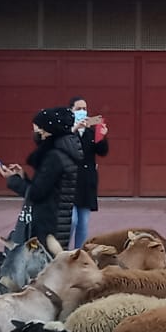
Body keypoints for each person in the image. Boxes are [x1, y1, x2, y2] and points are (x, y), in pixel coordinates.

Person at [0, 105, 84, 248]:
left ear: (47, 132)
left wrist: (13, 180)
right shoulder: (65, 152)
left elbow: (37, 193)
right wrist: (23, 177)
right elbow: (47, 188)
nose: (34, 132)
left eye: (36, 128)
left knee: (43, 266)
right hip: (57, 224)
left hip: (48, 226)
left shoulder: (54, 157)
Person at [67, 95, 109, 249]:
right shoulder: (66, 131)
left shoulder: (91, 131)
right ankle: (63, 250)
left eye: (84, 109)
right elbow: (61, 146)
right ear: (71, 110)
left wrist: (103, 137)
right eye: (78, 109)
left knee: (83, 223)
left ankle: (78, 253)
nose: (82, 111)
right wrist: (74, 129)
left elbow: (102, 152)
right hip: (69, 181)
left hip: (87, 181)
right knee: (72, 220)